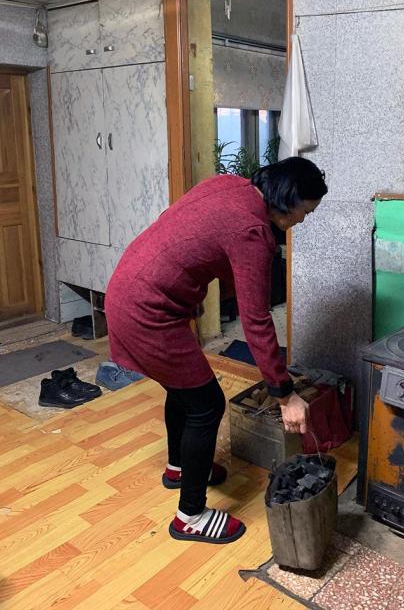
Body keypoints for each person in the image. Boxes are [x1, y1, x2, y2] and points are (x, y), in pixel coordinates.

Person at [105, 157, 328, 544]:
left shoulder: (229, 185)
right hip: (147, 311)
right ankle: (190, 516)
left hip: (127, 287)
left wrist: (188, 292)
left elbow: (178, 228)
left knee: (186, 391)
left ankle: (179, 468)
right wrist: (285, 393)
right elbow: (257, 321)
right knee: (207, 403)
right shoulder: (254, 232)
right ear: (288, 199)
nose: (303, 222)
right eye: (304, 212)